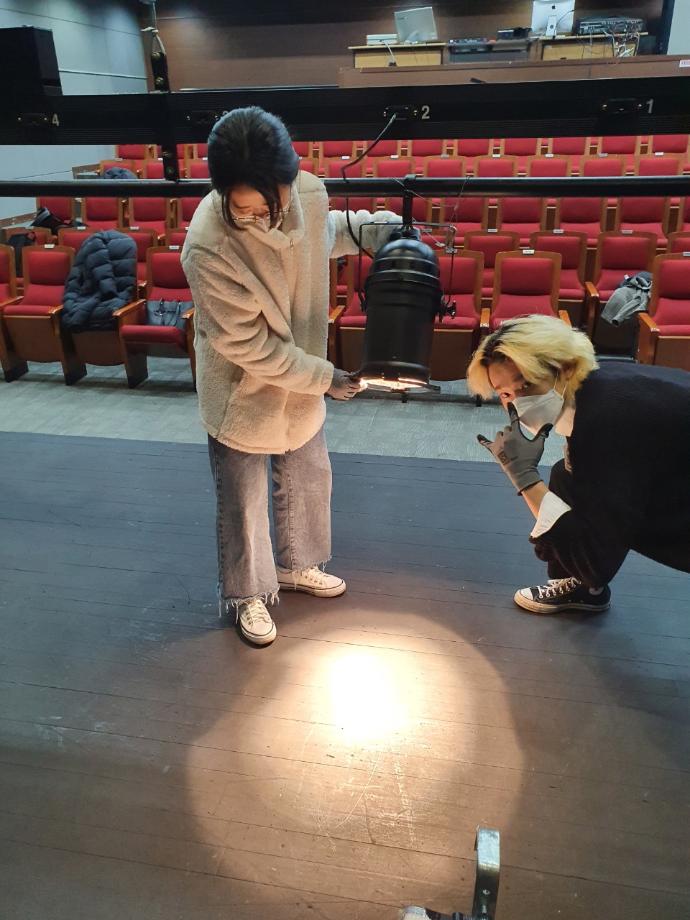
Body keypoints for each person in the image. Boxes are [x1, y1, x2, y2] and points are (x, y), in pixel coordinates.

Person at [181, 106, 398, 646]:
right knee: (243, 495)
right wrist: (325, 377)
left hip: (301, 368)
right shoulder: (208, 244)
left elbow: (323, 235)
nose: (260, 217)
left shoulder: (306, 193)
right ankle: (247, 592)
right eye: (244, 208)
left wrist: (377, 231)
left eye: (269, 205)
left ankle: (298, 564)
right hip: (242, 384)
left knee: (308, 472)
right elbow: (248, 346)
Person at [468, 315, 690, 613]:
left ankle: (586, 583)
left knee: (595, 530)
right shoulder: (594, 387)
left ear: (566, 368)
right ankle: (583, 590)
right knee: (567, 474)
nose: (516, 403)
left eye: (527, 385)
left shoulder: (607, 418)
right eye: (505, 394)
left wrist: (524, 477)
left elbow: (596, 561)